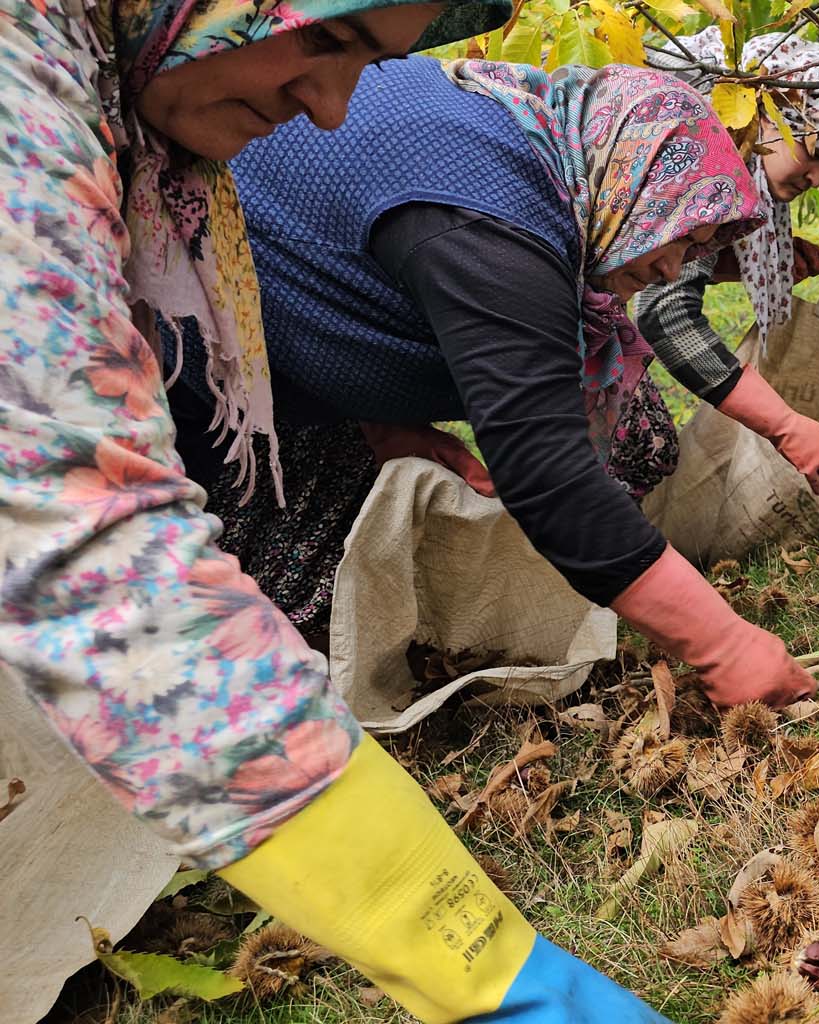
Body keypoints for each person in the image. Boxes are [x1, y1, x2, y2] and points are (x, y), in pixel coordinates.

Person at [0, 0, 675, 1018]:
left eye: (368, 62)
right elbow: (100, 553)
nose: (326, 109)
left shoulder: (134, 112)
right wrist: (492, 974)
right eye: (324, 39)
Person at [164, 57, 818, 715]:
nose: (671, 266)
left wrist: (382, 418)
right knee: (197, 615)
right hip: (176, 377)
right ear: (632, 170)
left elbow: (333, 240)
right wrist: (724, 646)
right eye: (682, 234)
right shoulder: (490, 225)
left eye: (697, 249)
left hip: (244, 352)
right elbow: (550, 477)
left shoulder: (524, 146)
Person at [635, 30, 819, 497]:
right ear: (769, 118)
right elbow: (664, 312)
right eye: (816, 154)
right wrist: (786, 425)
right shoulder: (706, 161)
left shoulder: (734, 155)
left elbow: (661, 261)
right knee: (634, 442)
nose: (817, 177)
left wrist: (744, 259)